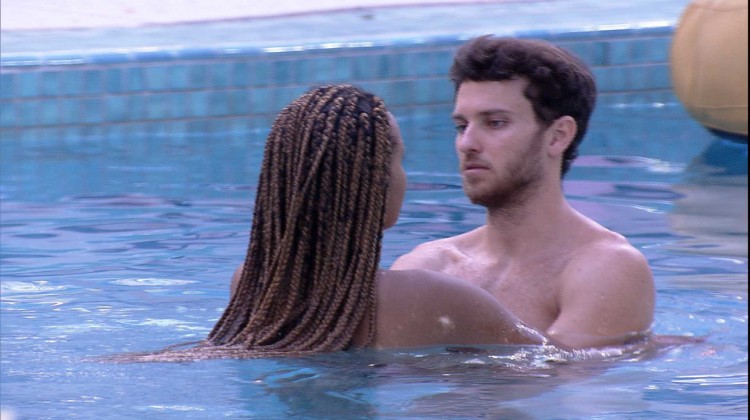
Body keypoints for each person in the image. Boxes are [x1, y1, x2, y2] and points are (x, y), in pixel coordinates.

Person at [119, 84, 548, 362]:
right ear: (375, 183)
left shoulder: (250, 286)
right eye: (400, 161)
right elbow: (554, 364)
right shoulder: (436, 298)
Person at [391, 36, 656, 349]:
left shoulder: (606, 267)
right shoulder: (429, 265)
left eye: (495, 123)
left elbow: (564, 376)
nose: (467, 144)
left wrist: (461, 316)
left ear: (558, 136)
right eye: (462, 126)